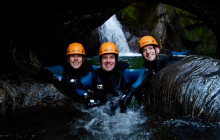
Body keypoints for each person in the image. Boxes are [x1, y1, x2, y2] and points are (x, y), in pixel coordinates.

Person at [75, 42, 153, 112]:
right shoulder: (94, 75)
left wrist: (129, 94)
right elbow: (77, 86)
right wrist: (87, 98)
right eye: (105, 57)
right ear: (100, 60)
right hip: (100, 114)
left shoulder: (123, 73)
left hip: (123, 116)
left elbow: (146, 72)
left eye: (111, 57)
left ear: (116, 60)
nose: (108, 61)